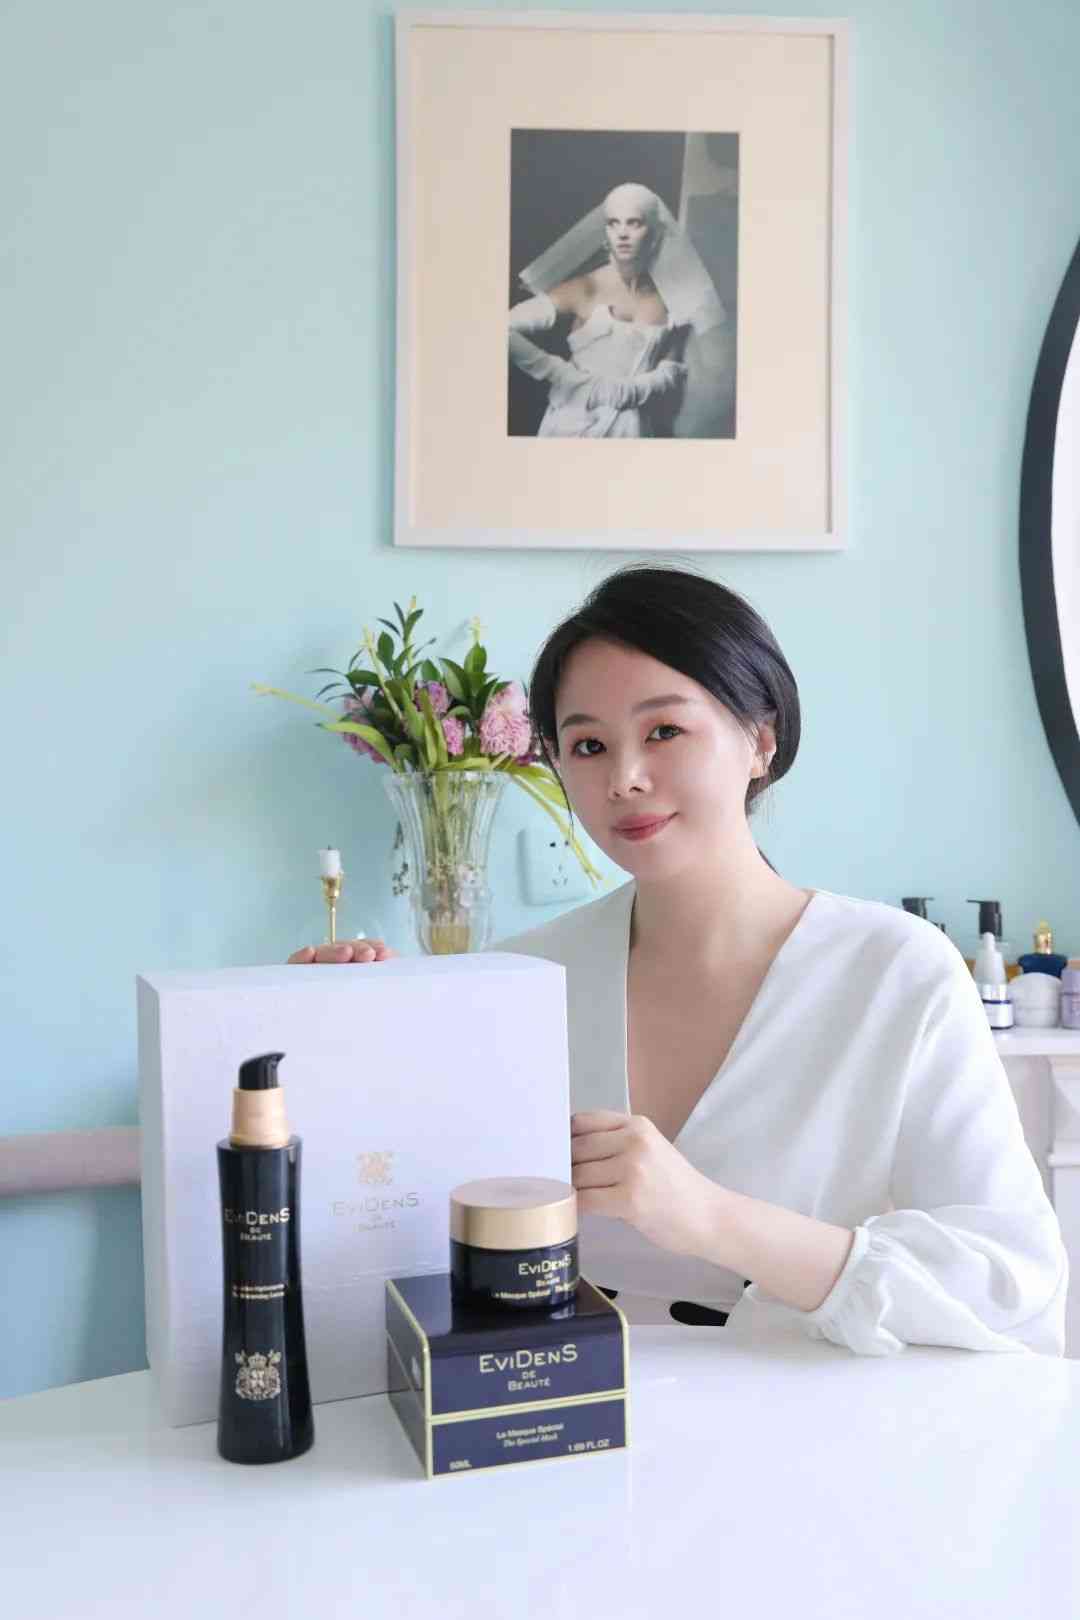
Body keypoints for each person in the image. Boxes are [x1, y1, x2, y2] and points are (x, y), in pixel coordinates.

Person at [290, 565, 1068, 1356]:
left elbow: (1013, 1284)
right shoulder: (520, 981)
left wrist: (709, 1217)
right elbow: (391, 1220)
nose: (624, 779)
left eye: (664, 731)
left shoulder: (896, 971)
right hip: (555, 1404)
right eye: (588, 746)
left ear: (761, 740)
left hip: (807, 1416)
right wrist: (339, 1048)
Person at [508, 182, 696, 439]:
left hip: (632, 431)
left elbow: (671, 368)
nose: (622, 233)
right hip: (573, 426)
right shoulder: (586, 288)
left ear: (655, 233)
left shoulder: (671, 297)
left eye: (634, 223)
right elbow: (502, 327)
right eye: (613, 223)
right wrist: (559, 374)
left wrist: (630, 391)